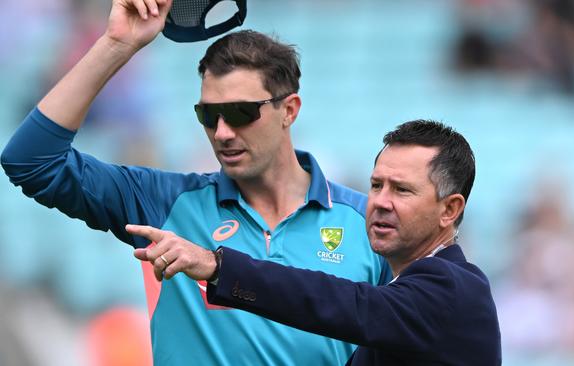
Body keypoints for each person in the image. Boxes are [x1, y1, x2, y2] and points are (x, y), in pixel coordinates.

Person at [0, 0, 390, 364]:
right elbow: (31, 161)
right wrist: (117, 44)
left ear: (289, 110)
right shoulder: (166, 203)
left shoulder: (368, 224)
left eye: (239, 112)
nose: (221, 133)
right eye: (208, 115)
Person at [128, 120, 503, 365]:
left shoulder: (452, 287)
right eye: (376, 185)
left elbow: (343, 303)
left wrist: (217, 266)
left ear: (449, 210)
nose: (381, 201)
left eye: (402, 190)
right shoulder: (409, 292)